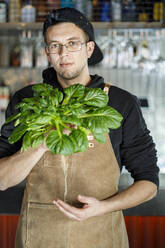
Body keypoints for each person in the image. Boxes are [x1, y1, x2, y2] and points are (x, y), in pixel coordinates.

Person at [0, 7, 159, 248]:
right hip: (38, 237)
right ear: (47, 52)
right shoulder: (28, 101)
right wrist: (43, 143)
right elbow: (1, 180)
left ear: (89, 48)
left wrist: (104, 207)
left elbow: (148, 182)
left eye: (72, 43)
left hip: (101, 236)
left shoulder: (120, 102)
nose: (63, 53)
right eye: (55, 45)